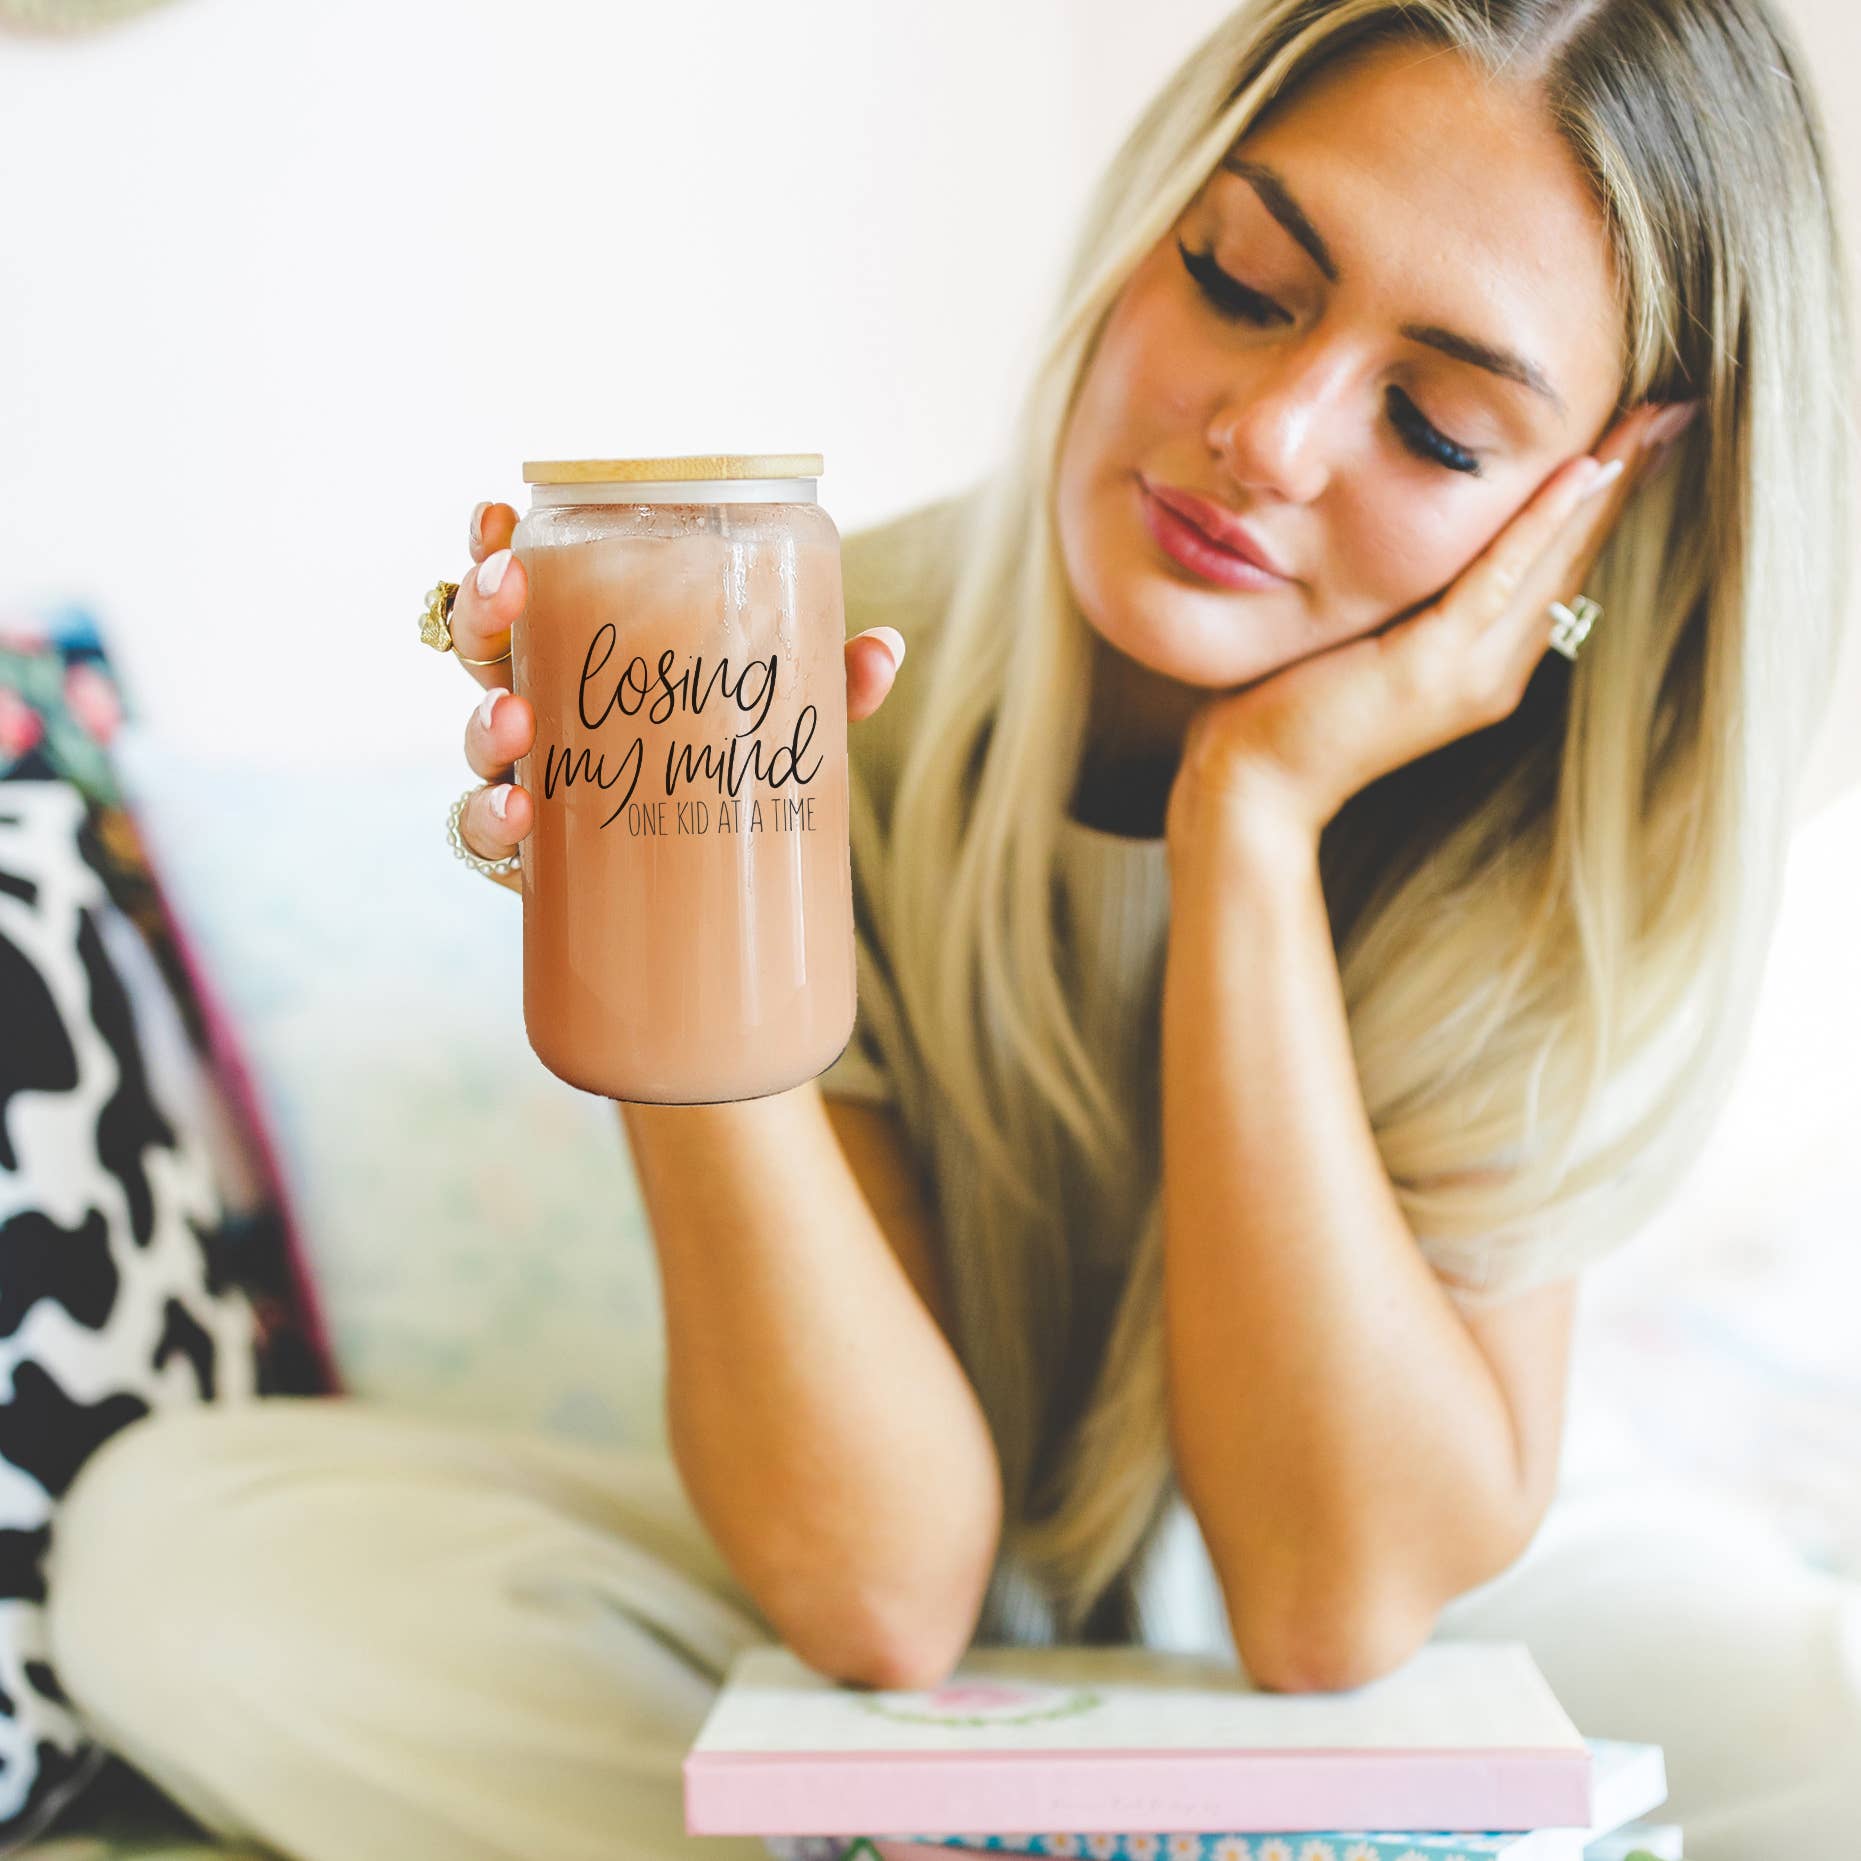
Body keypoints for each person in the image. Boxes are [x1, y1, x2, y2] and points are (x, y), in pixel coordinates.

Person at [43, 2, 1861, 1858]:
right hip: (897, 1671)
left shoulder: (1569, 837)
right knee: (177, 1567)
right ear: (1152, 214)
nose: (1269, 432)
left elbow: (1331, 1606)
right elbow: (884, 1595)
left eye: (1432, 423)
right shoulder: (820, 665)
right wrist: (672, 896)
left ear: (1600, 508)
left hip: (1420, 1636)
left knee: (1837, 1728)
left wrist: (1252, 816)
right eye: (1240, 280)